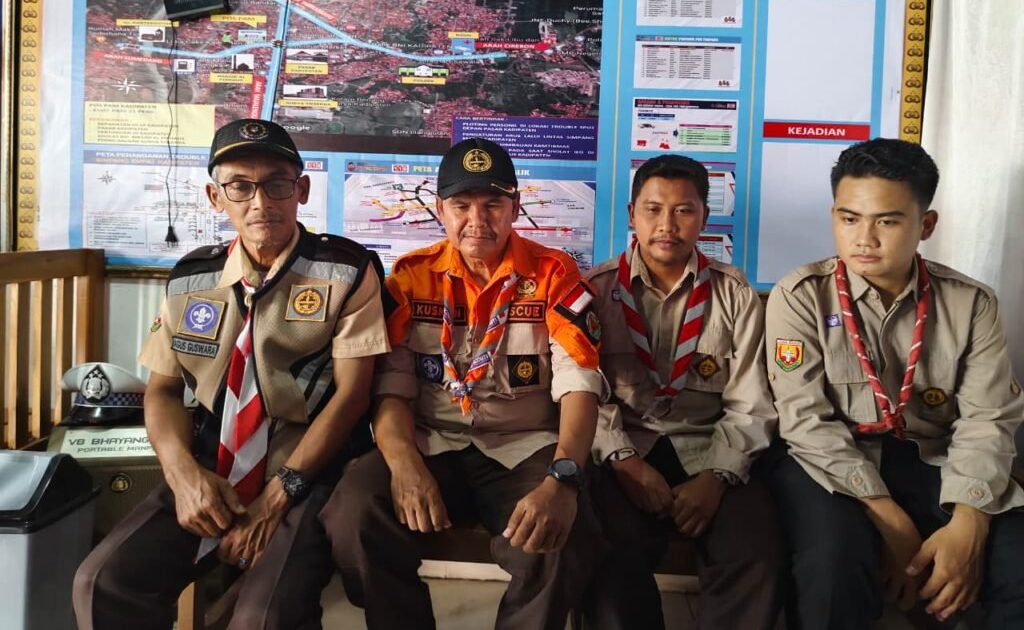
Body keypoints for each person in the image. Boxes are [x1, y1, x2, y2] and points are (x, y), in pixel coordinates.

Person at [73, 119, 390, 630]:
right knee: (104, 582)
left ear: (302, 190)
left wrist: (277, 496)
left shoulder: (346, 270)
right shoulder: (191, 278)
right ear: (215, 197)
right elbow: (163, 390)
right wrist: (183, 475)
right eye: (240, 186)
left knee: (264, 617)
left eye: (277, 184)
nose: (260, 202)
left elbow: (352, 396)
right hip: (210, 468)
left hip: (307, 472)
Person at [320, 137, 606, 630]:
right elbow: (391, 388)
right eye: (461, 205)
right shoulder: (411, 278)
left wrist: (564, 477)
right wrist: (404, 464)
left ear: (515, 206)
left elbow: (579, 381)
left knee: (562, 540)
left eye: (493, 204)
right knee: (352, 514)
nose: (478, 220)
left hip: (523, 447)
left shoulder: (553, 274)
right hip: (432, 441)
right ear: (440, 210)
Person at [766, 138, 1024, 629]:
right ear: (834, 216)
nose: (864, 238)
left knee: (1015, 561)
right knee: (833, 564)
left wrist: (969, 521)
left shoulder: (971, 304)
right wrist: (892, 522)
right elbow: (805, 422)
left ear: (926, 225)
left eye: (887, 221)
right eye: (849, 219)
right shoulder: (801, 296)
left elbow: (988, 420)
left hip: (934, 458)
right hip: (831, 461)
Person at [582, 154, 783, 629]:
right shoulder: (594, 291)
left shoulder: (734, 294)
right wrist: (626, 463)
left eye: (683, 211)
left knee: (756, 554)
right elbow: (587, 393)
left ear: (704, 217)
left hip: (709, 446)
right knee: (605, 550)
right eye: (653, 209)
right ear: (631, 214)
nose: (667, 226)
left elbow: (751, 402)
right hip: (625, 448)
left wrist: (716, 476)